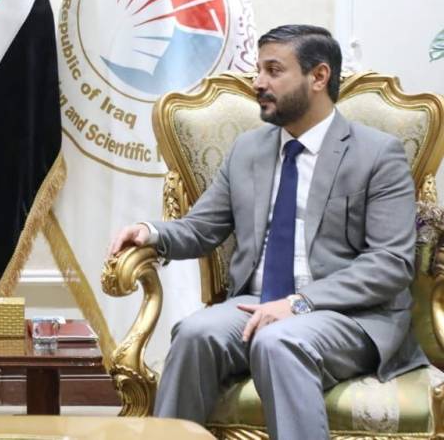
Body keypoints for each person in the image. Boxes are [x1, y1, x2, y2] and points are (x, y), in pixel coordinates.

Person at [109, 24, 426, 439]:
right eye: (259, 69)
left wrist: (299, 303)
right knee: (193, 334)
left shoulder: (377, 154)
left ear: (319, 77)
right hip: (256, 304)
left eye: (274, 71)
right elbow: (202, 227)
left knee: (278, 341)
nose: (258, 82)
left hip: (348, 315)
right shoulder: (248, 149)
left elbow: (390, 264)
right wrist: (150, 232)